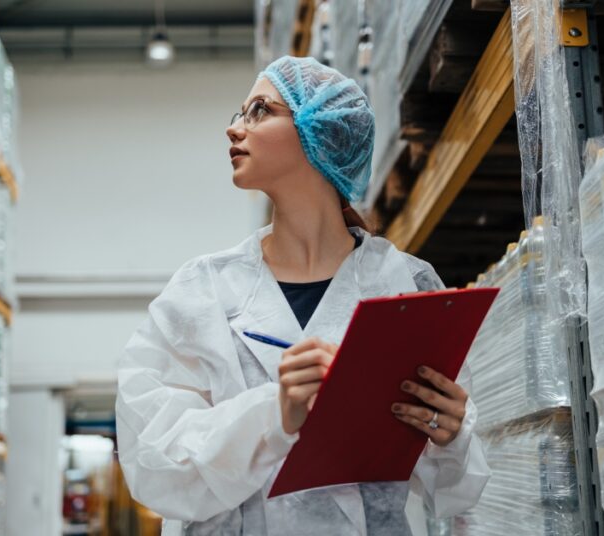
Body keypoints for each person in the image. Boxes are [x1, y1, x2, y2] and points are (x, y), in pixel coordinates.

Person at [116, 56, 489, 535]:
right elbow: (153, 460)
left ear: (323, 133)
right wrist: (275, 414)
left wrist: (452, 437)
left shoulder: (405, 284)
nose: (234, 130)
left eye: (259, 111)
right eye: (240, 114)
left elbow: (453, 490)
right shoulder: (201, 292)